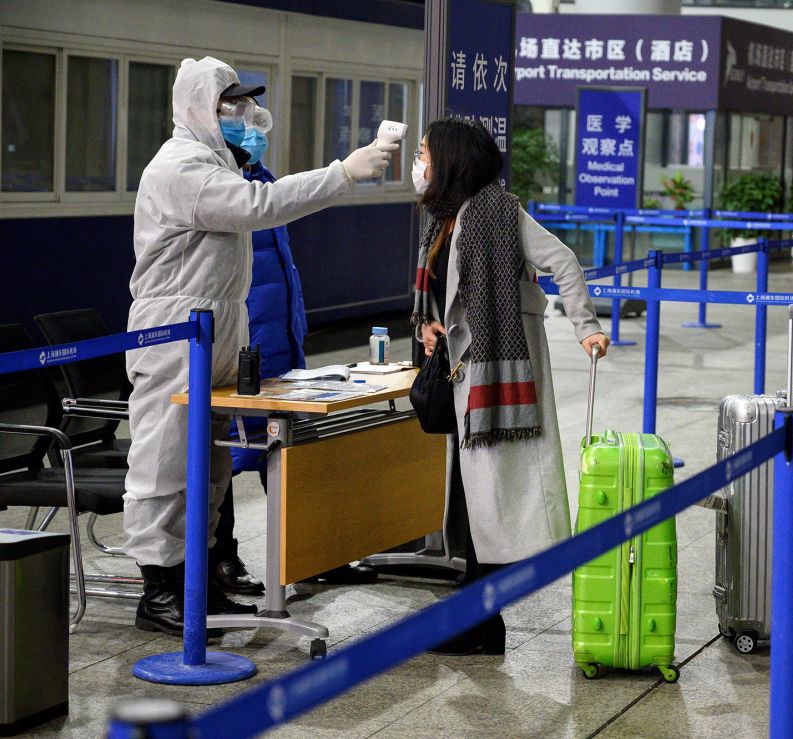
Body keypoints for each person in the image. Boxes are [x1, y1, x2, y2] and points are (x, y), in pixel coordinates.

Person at [124, 55, 397, 636]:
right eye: (232, 103)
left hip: (217, 326)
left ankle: (194, 583)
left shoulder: (220, 162)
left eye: (247, 102)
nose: (247, 114)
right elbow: (258, 208)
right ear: (199, 106)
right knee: (166, 462)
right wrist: (342, 173)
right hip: (175, 330)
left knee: (211, 462)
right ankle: (157, 591)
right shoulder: (181, 167)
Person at [412, 118, 609, 655]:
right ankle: (479, 621)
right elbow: (443, 297)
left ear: (450, 159)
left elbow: (563, 262)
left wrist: (586, 327)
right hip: (465, 377)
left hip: (498, 378)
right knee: (478, 499)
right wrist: (430, 325)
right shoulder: (445, 218)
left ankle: (477, 621)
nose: (419, 162)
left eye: (425, 152)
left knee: (491, 498)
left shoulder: (496, 213)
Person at [210, 105, 378, 596]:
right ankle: (221, 559)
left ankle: (308, 553)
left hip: (281, 343)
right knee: (227, 453)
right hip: (242, 344)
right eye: (241, 123)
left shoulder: (260, 178)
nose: (255, 133)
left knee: (284, 452)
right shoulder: (219, 185)